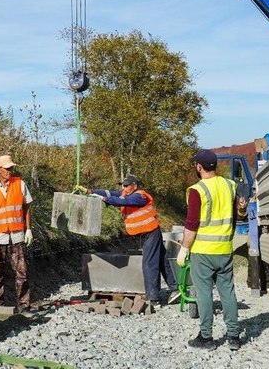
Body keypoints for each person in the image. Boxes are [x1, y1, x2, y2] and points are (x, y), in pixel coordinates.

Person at [176, 149, 247, 351]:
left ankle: (206, 337)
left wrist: (184, 249)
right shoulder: (229, 185)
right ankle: (234, 336)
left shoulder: (197, 190)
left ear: (199, 167)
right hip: (224, 249)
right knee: (228, 292)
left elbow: (191, 224)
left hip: (203, 251)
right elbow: (237, 216)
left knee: (204, 293)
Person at [91, 174, 180, 306]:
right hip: (148, 234)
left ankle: (153, 298)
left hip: (151, 233)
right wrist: (92, 191)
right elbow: (110, 192)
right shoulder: (126, 193)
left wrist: (105, 199)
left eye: (126, 185)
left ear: (135, 186)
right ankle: (175, 288)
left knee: (149, 264)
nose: (124, 188)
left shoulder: (140, 196)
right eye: (123, 185)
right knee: (161, 260)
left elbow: (124, 202)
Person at [0, 154, 34, 314]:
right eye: (7, 168)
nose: (10, 171)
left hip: (17, 237)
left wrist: (28, 229)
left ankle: (24, 307)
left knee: (22, 273)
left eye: (11, 168)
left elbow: (27, 207)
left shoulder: (20, 184)